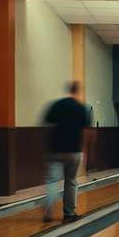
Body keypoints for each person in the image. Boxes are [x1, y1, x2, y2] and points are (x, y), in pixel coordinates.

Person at [42, 81, 90, 223]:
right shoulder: (82, 108)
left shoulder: (56, 105)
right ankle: (69, 213)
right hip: (73, 151)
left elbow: (46, 125)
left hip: (55, 150)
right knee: (70, 181)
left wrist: (46, 147)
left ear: (68, 90)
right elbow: (86, 132)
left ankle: (48, 210)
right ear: (78, 91)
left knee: (52, 180)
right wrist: (85, 152)